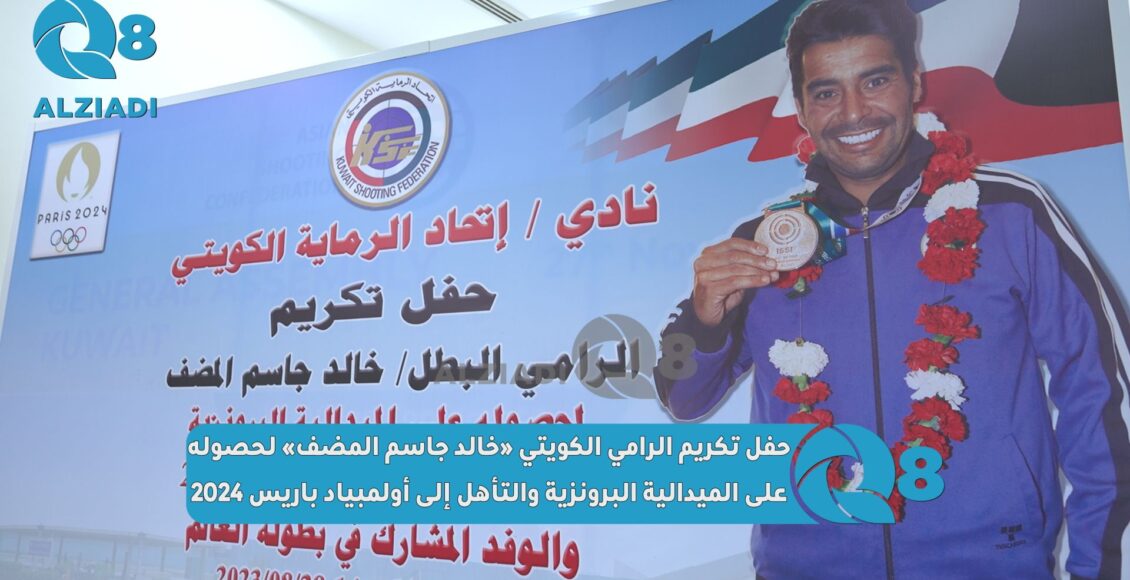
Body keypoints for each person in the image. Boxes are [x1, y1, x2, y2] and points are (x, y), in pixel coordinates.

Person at [654, 0, 1130, 578]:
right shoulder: (763, 244)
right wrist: (703, 318)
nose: (853, 112)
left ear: (915, 84)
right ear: (801, 109)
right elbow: (681, 398)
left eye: (875, 81)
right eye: (826, 92)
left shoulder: (1012, 213)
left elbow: (1102, 396)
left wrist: (1100, 568)